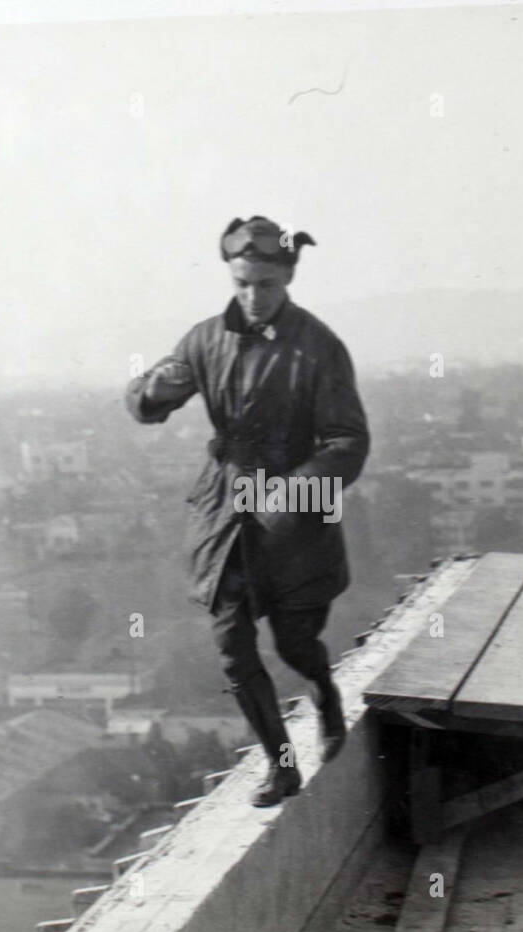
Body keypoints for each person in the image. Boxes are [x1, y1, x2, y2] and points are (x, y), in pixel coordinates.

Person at [124, 215, 370, 806]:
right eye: (241, 283)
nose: (252, 296)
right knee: (232, 644)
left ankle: (323, 693)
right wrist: (150, 393)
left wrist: (299, 490)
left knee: (293, 644)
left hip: (293, 516)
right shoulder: (205, 338)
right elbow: (152, 394)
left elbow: (347, 441)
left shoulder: (318, 346)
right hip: (224, 506)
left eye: (265, 284)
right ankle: (281, 765)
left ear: (286, 278)